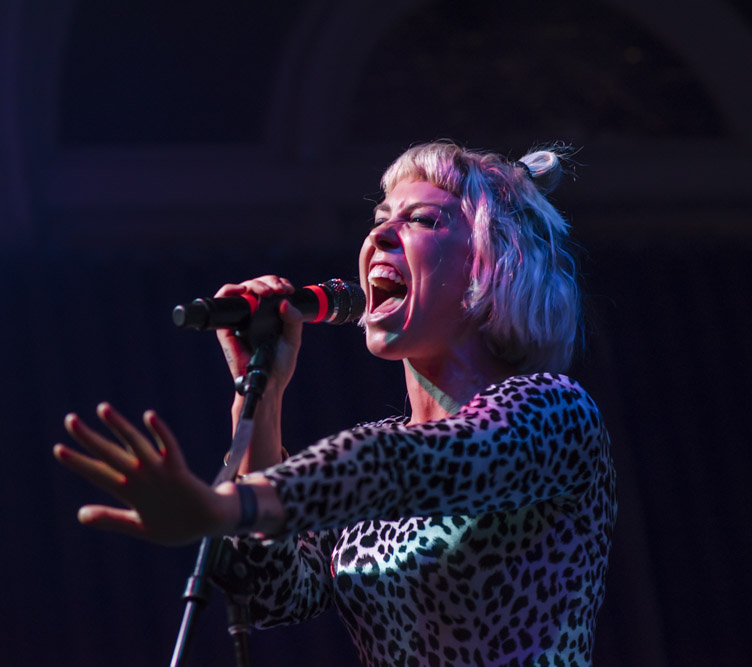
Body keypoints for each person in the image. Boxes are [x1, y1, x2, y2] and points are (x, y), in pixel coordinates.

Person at [53, 140, 616, 666]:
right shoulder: (367, 464)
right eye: (379, 221)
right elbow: (271, 591)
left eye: (421, 219)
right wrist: (262, 395)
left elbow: (403, 466)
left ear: (492, 266)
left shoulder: (553, 412)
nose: (382, 236)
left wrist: (226, 507)